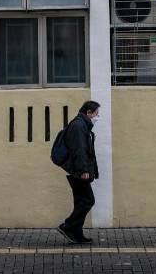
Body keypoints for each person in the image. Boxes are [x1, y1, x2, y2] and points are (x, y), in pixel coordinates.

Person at [57, 100, 100, 244]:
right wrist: (83, 170)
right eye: (96, 114)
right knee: (88, 200)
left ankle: (77, 234)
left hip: (78, 170)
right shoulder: (78, 126)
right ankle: (68, 226)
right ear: (88, 112)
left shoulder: (82, 125)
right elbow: (79, 150)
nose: (97, 117)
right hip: (78, 172)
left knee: (81, 201)